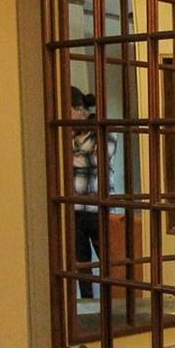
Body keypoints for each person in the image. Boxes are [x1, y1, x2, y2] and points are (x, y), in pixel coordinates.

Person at [70, 89, 103, 298]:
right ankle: (87, 302)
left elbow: (97, 160)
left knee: (108, 259)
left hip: (97, 205)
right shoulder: (70, 134)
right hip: (74, 206)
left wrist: (70, 154)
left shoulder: (100, 130)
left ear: (79, 109)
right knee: (81, 262)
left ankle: (113, 302)